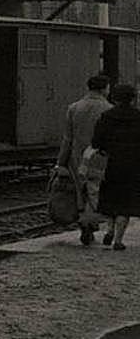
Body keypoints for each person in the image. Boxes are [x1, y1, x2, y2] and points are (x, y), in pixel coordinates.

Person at [56, 75, 112, 244]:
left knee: (80, 193)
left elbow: (67, 138)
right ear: (104, 89)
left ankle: (85, 226)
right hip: (100, 157)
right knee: (95, 192)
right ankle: (89, 224)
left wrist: (61, 161)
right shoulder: (109, 109)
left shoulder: (74, 108)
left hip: (77, 158)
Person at [90, 83, 140, 250]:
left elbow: (96, 142)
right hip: (133, 165)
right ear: (133, 98)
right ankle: (118, 240)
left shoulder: (106, 116)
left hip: (111, 164)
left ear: (115, 98)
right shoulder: (138, 116)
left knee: (111, 199)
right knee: (125, 203)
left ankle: (109, 228)